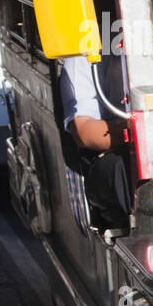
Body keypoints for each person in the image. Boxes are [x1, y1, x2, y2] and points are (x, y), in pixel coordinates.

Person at [59, 53, 133, 226]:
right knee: (123, 169)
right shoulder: (86, 54)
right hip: (116, 150)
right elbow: (84, 131)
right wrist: (137, 134)